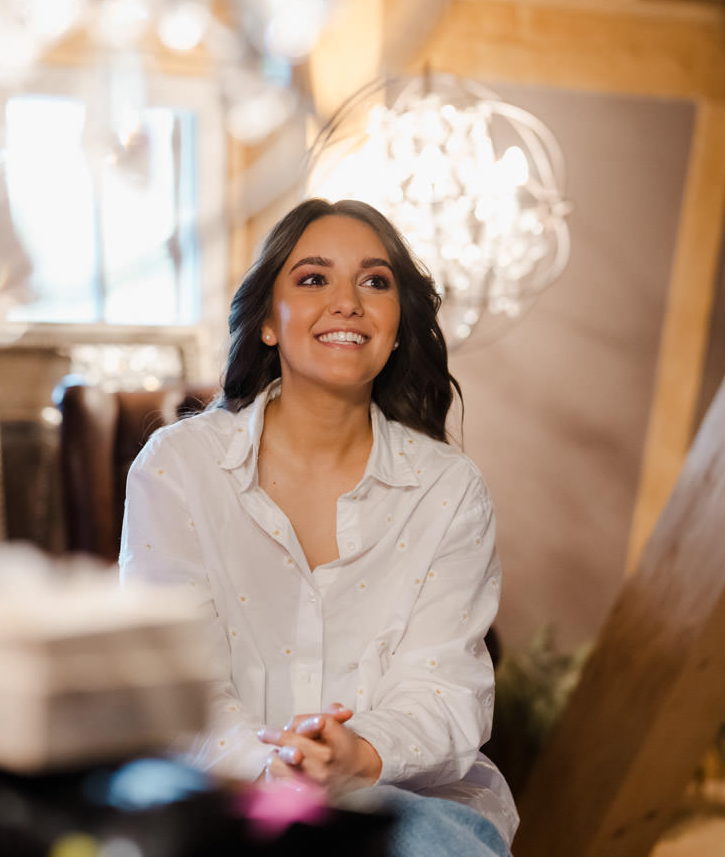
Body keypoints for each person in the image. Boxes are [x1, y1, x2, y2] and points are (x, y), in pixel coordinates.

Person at [119, 198, 516, 855]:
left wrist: (358, 753)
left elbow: (446, 690)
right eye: (312, 278)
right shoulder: (179, 467)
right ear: (269, 323)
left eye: (375, 281)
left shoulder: (449, 489)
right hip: (218, 797)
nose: (348, 301)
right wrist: (275, 765)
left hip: (395, 802)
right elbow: (173, 685)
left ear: (395, 327)